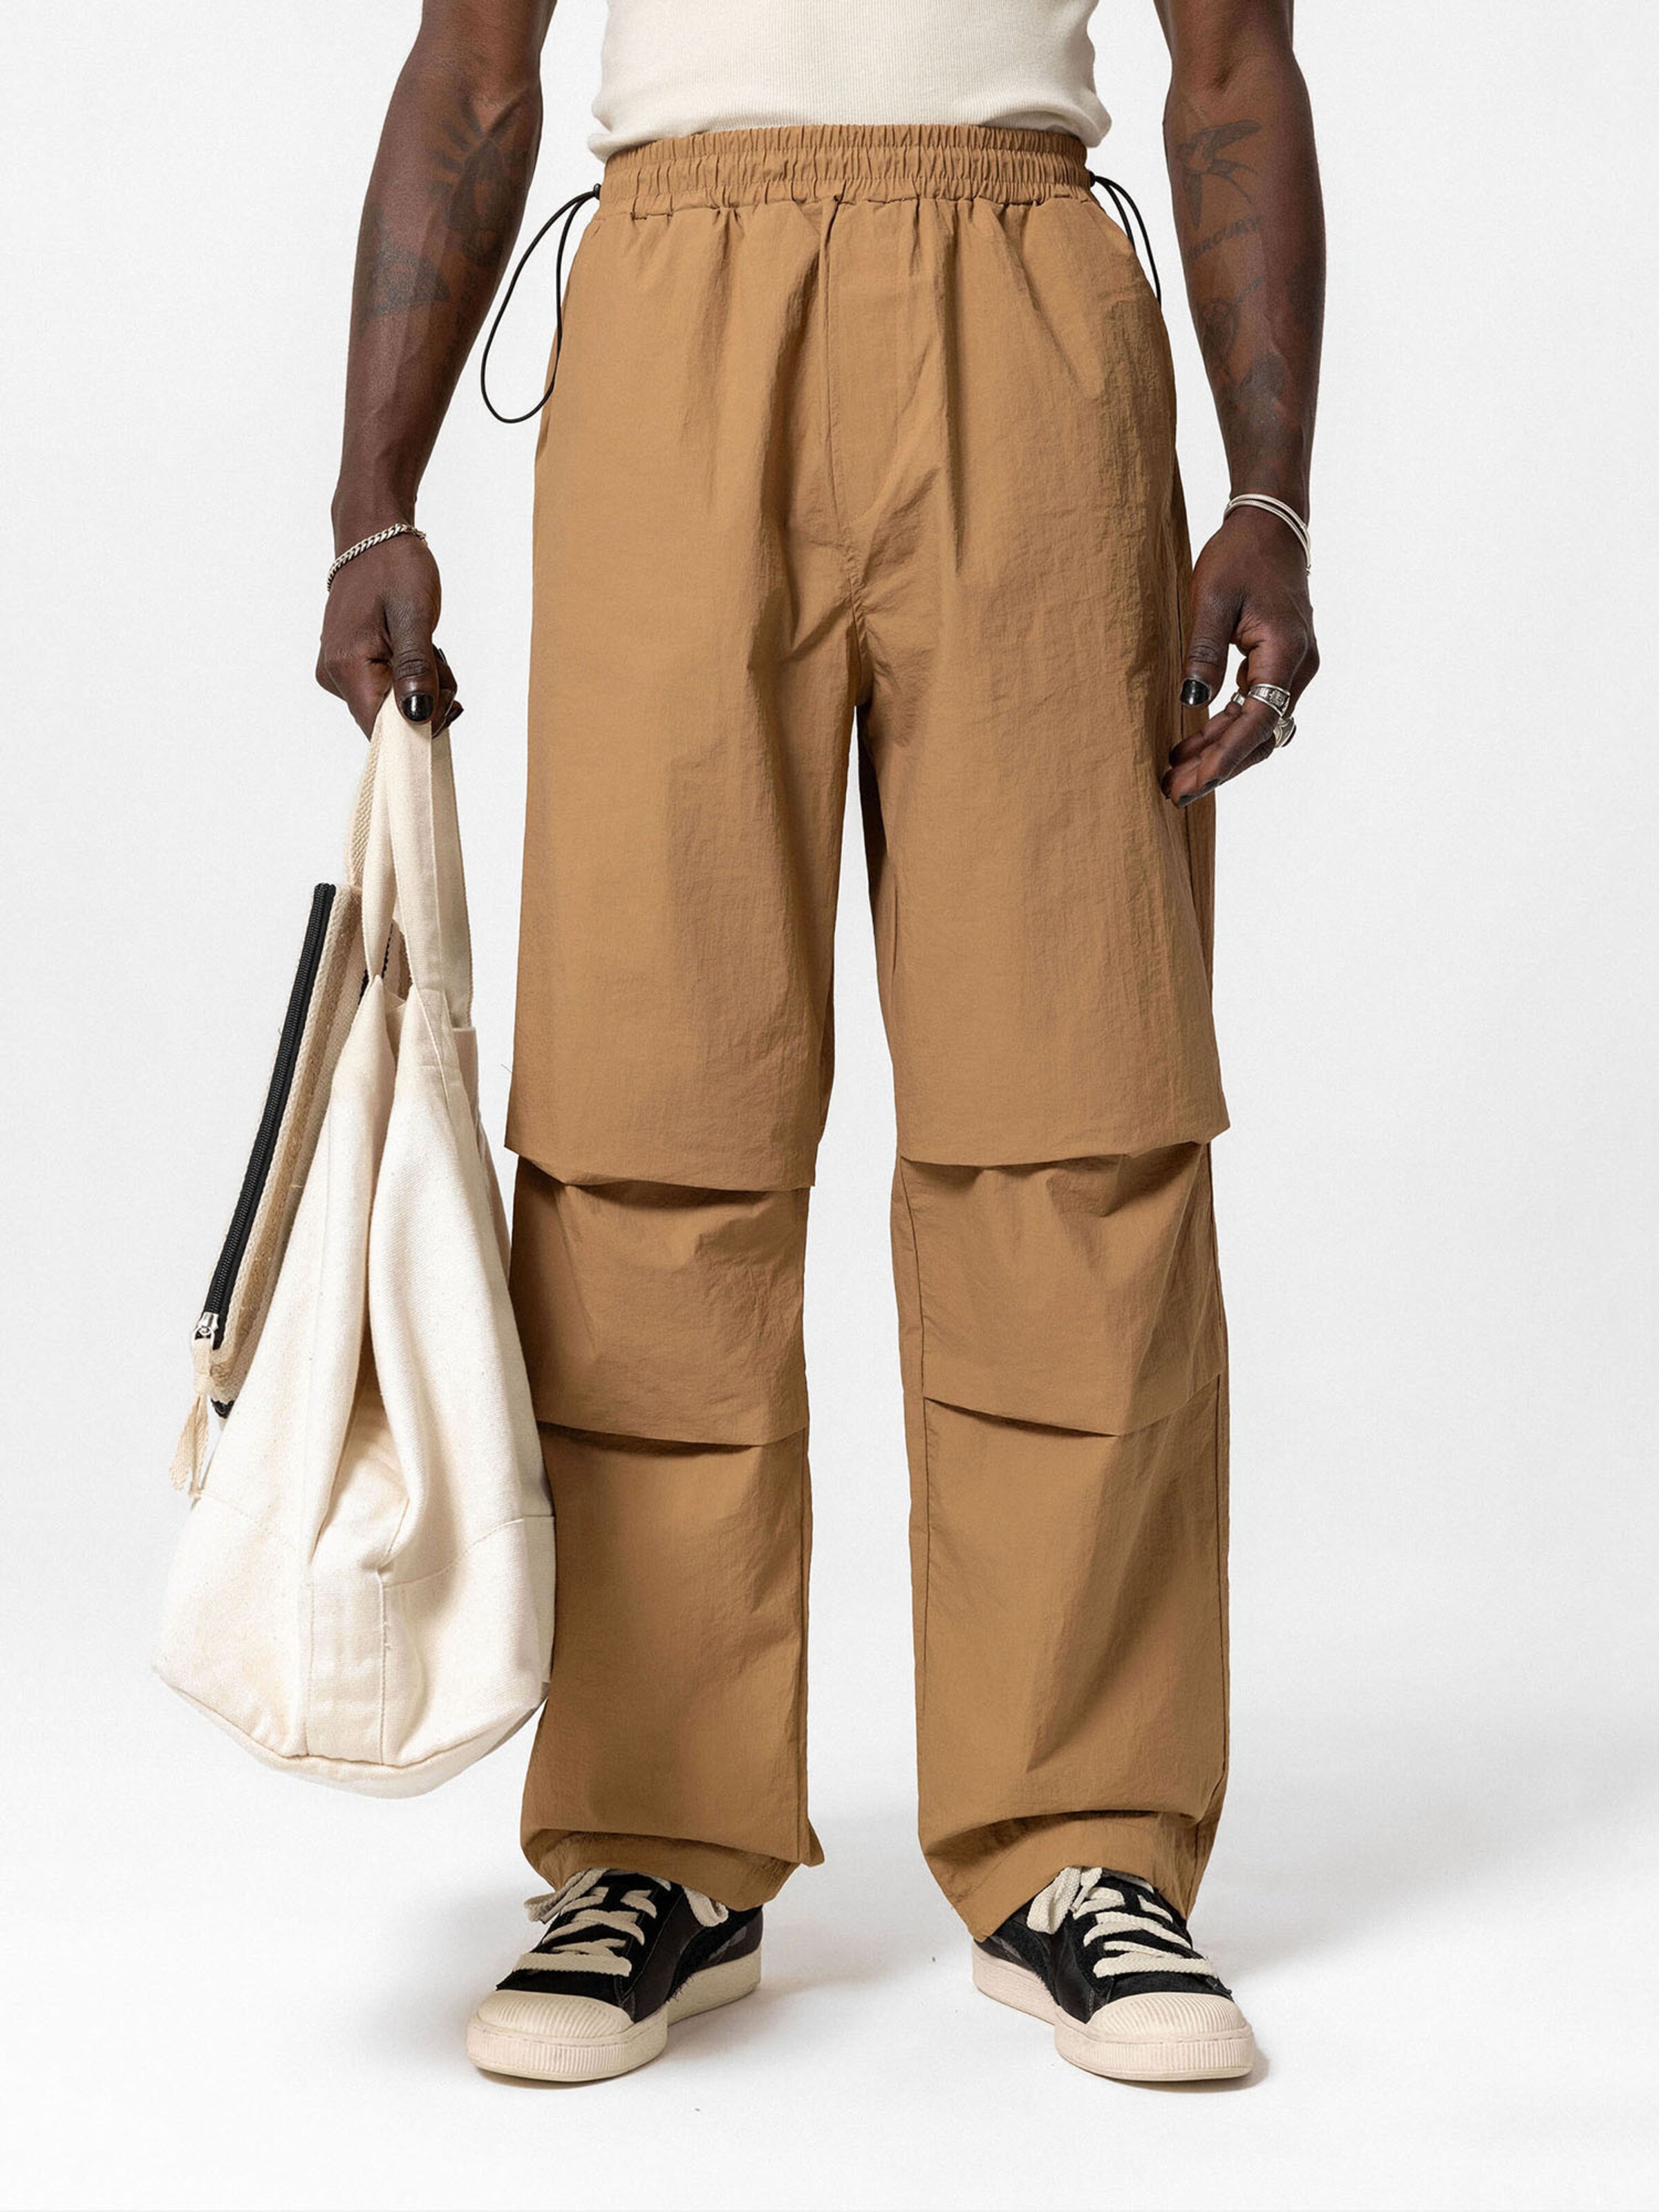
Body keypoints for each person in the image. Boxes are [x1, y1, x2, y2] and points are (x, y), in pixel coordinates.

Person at [317, 0, 1322, 2086]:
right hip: (675, 311)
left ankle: (1086, 1838)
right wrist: (367, 501)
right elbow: (476, 70)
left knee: (1079, 1105)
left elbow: (1232, 69)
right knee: (644, 1110)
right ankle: (655, 1842)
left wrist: (1274, 496)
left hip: (1029, 307)